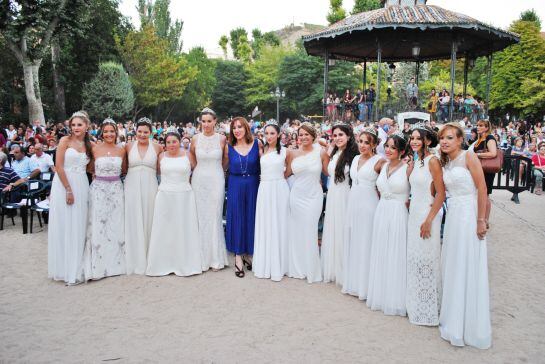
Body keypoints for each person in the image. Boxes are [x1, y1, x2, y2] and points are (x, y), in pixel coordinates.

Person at [438, 123, 491, 349]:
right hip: (453, 217)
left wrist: (481, 220)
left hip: (469, 215)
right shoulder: (445, 161)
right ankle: (452, 318)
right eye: (442, 138)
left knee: (467, 263)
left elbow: (482, 189)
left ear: (460, 139)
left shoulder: (469, 157)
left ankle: (468, 323)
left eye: (449, 138)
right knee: (453, 263)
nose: (445, 142)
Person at [146, 132, 203, 277]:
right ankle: (163, 263)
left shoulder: (188, 155)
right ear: (165, 144)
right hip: (165, 195)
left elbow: (195, 169)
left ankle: (184, 262)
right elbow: (159, 171)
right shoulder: (161, 156)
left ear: (180, 142)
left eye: (174, 141)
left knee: (183, 227)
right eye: (169, 142)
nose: (171, 144)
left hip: (184, 195)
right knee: (164, 228)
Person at [406, 124, 445, 326]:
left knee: (428, 258)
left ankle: (429, 307)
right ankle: (416, 302)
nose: (413, 141)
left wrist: (429, 219)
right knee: (415, 257)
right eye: (412, 138)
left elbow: (441, 193)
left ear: (427, 141)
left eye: (418, 138)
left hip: (427, 214)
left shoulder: (433, 161)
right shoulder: (417, 160)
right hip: (414, 213)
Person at [367, 132, 410, 316]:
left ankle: (396, 298)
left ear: (401, 151)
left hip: (399, 212)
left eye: (393, 147)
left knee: (397, 251)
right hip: (382, 210)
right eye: (387, 146)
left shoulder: (408, 167)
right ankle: (381, 294)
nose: (389, 150)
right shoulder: (382, 165)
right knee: (382, 249)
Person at [48, 111, 92, 284]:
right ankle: (64, 268)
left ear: (87, 126)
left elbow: (91, 168)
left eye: (79, 125)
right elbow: (58, 166)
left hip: (82, 184)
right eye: (73, 125)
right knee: (65, 223)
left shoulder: (90, 145)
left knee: (79, 223)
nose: (75, 128)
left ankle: (77, 265)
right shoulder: (64, 141)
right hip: (64, 184)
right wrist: (68, 189)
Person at [81, 119, 127, 281]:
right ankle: (98, 264)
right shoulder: (94, 148)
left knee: (116, 223)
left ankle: (117, 263)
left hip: (115, 189)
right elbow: (89, 167)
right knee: (99, 224)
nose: (109, 134)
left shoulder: (121, 150)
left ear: (116, 133)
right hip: (99, 189)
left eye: (112, 131)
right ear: (102, 133)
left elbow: (124, 169)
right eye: (106, 131)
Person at [342, 128, 385, 299]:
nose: (362, 145)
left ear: (374, 144)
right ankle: (353, 282)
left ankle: (366, 286)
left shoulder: (380, 161)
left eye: (367, 142)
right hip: (353, 201)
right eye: (360, 141)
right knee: (354, 239)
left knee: (366, 240)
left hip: (369, 203)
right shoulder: (355, 159)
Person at [285, 123, 329, 283]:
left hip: (314, 196)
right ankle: (298, 267)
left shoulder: (321, 153)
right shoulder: (292, 153)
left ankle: (311, 268)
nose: (303, 137)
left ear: (313, 136)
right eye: (301, 134)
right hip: (297, 196)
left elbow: (329, 171)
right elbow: (286, 173)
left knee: (310, 229)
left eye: (306, 134)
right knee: (297, 230)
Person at [190, 108, 229, 272]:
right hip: (199, 179)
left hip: (216, 178)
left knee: (214, 215)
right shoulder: (195, 138)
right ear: (200, 122)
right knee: (200, 216)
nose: (206, 124)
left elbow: (225, 158)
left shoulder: (221, 139)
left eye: (209, 121)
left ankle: (215, 258)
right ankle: (200, 257)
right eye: (203, 121)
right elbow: (191, 154)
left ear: (215, 121)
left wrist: (219, 171)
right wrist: (197, 168)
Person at [224, 117, 262, 278]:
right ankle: (238, 256)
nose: (237, 130)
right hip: (235, 184)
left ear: (246, 128)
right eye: (234, 128)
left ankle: (249, 253)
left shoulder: (257, 144)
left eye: (240, 127)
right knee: (237, 217)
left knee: (251, 218)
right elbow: (223, 166)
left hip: (253, 184)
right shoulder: (228, 147)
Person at [321, 122, 358, 285]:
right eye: (334, 135)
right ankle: (334, 268)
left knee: (344, 230)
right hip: (333, 195)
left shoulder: (354, 154)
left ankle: (345, 269)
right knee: (333, 228)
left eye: (340, 135)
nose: (337, 138)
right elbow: (326, 170)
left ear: (349, 136)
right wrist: (329, 147)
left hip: (346, 196)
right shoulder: (335, 152)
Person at [124, 117, 162, 275]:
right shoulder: (127, 146)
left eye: (145, 132)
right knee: (132, 218)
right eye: (139, 131)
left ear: (151, 132)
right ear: (135, 131)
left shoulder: (158, 147)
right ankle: (133, 257)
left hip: (150, 185)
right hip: (131, 185)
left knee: (149, 217)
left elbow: (160, 170)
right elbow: (123, 168)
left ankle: (149, 255)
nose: (142, 134)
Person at [253, 121, 290, 281]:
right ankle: (265, 261)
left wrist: (280, 178)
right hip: (265, 189)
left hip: (279, 188)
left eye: (272, 133)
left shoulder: (286, 152)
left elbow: (289, 169)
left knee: (280, 223)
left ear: (279, 135)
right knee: (266, 222)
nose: (269, 136)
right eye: (266, 133)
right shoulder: (262, 150)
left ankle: (280, 263)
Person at [469, 120, 497, 228]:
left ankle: (485, 220)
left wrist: (477, 155)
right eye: (477, 125)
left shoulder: (490, 138)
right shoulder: (479, 139)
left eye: (481, 126)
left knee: (485, 195)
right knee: (478, 194)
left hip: (486, 170)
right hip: (478, 169)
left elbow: (493, 153)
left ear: (486, 127)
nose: (478, 127)